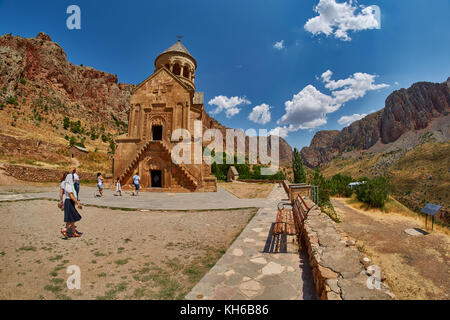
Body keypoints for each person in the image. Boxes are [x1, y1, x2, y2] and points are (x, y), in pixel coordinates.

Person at [60, 173, 83, 239]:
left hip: (69, 202)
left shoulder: (69, 185)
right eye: (72, 178)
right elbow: (71, 196)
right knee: (74, 217)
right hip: (69, 202)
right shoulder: (68, 186)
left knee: (72, 218)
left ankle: (73, 233)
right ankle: (64, 229)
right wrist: (77, 203)